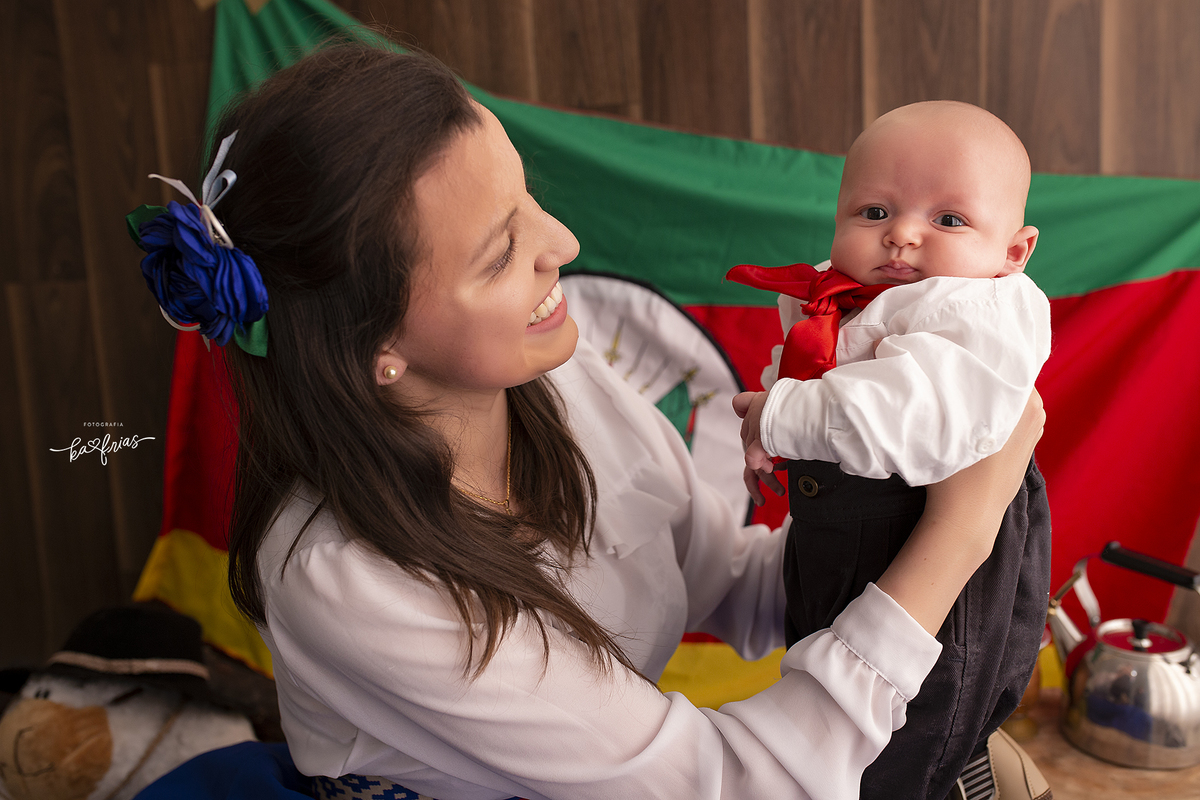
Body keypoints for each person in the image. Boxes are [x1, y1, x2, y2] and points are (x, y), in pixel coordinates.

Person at [132, 47, 1044, 800]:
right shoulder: (351, 578)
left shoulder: (561, 385)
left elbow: (731, 584)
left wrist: (918, 537)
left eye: (527, 196)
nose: (560, 242)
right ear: (377, 348)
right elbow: (732, 785)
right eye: (501, 254)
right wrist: (956, 535)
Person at [728, 101, 1052, 800]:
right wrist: (777, 416)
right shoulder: (856, 293)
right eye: (874, 212)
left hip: (933, 556)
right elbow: (816, 368)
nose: (902, 235)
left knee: (910, 726)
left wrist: (778, 418)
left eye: (948, 219)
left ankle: (945, 778)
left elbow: (911, 416)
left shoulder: (975, 311)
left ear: (1014, 252)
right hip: (849, 535)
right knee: (823, 664)